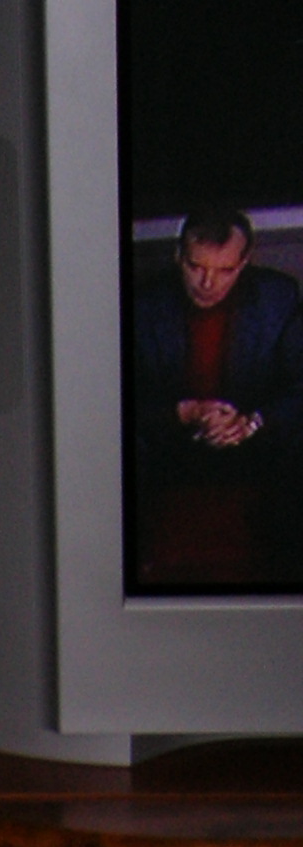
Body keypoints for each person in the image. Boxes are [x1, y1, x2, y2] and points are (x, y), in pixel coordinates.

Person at [131, 208, 303, 587]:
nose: (208, 283)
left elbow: (299, 387)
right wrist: (184, 412)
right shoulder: (142, 305)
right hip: (171, 447)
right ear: (178, 256)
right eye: (196, 267)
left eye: (225, 270)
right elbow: (119, 401)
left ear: (244, 262)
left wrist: (252, 422)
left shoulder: (278, 297)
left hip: (255, 445)